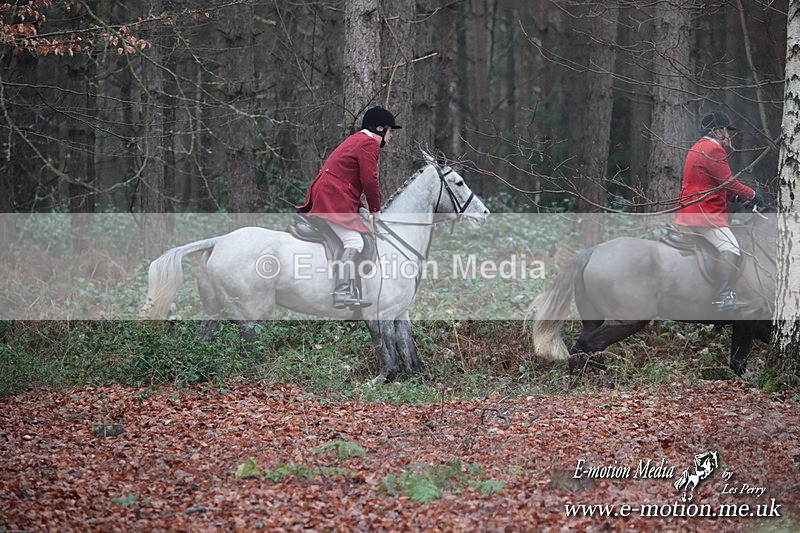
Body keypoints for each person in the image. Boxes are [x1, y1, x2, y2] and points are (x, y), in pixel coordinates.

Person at [296, 106, 401, 309]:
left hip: (332, 193)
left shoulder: (357, 140)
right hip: (332, 196)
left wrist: (360, 208)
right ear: (379, 129)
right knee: (354, 240)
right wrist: (375, 211)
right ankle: (342, 292)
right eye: (390, 131)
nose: (391, 137)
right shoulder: (368, 143)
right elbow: (369, 181)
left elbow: (348, 181)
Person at [675, 111, 764, 312]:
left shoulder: (698, 147)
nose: (728, 135)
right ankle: (723, 297)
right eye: (725, 130)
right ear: (716, 131)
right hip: (704, 213)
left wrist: (738, 198)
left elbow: (714, 184)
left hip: (693, 208)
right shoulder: (713, 149)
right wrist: (751, 195)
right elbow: (728, 183)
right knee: (731, 247)